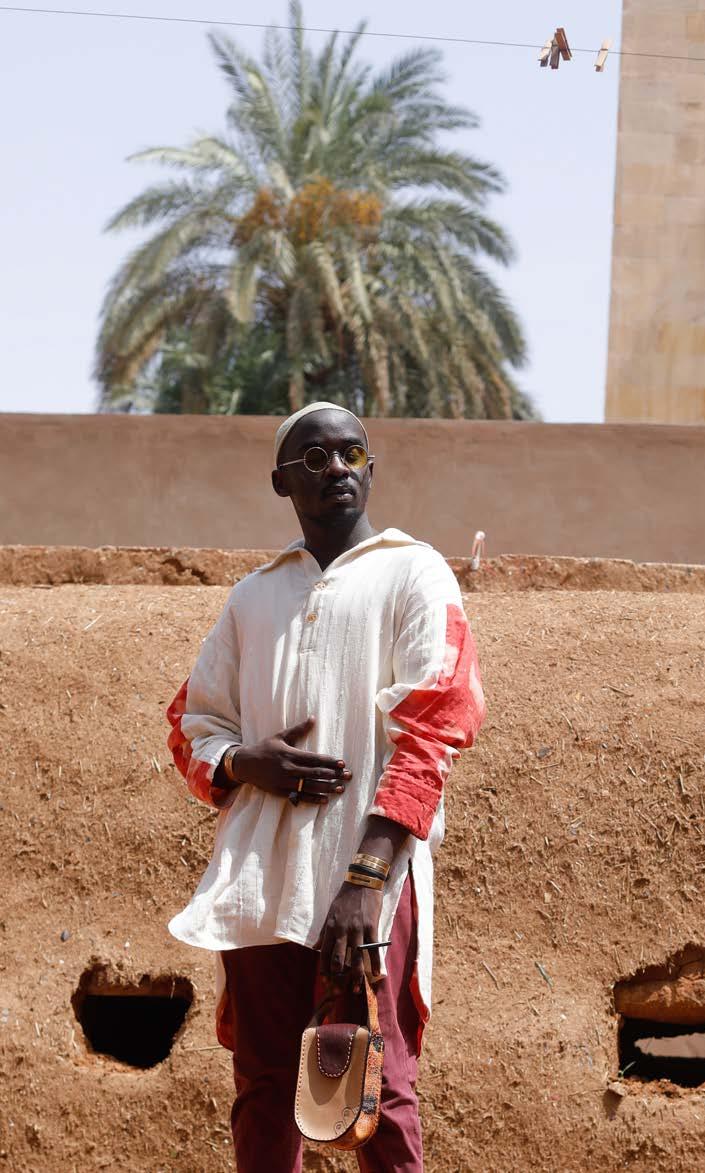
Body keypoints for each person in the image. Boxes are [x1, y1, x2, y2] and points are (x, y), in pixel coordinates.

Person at [165, 402, 485, 1172]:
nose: (337, 467)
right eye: (314, 457)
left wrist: (365, 880)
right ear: (282, 481)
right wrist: (247, 763)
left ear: (371, 467)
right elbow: (191, 723)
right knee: (266, 1088)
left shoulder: (414, 571)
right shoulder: (253, 597)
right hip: (261, 881)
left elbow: (438, 720)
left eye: (351, 453)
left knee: (380, 1089)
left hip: (370, 876)